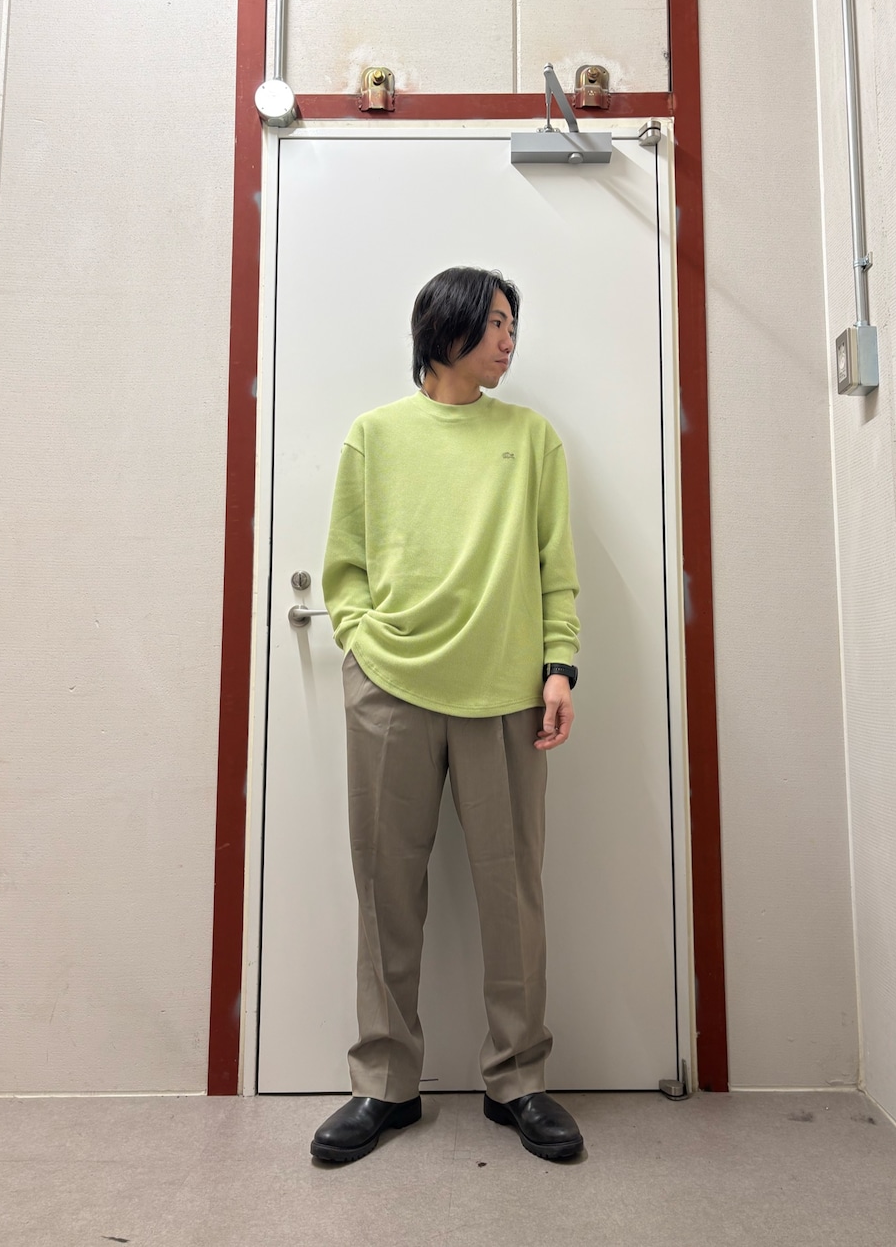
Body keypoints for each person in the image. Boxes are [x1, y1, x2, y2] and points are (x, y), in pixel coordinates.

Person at [310, 265, 583, 1164]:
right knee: (386, 889)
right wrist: (359, 638)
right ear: (448, 328)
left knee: (514, 897)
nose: (510, 339)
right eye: (497, 322)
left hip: (506, 692)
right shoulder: (375, 436)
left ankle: (518, 1081)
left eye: (513, 324)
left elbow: (555, 567)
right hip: (390, 688)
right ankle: (384, 1085)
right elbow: (345, 564)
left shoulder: (531, 439)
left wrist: (559, 665)